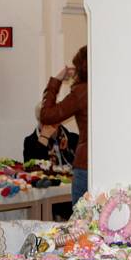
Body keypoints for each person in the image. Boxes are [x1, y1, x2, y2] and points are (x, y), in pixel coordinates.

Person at [40, 45, 88, 204]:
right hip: (111, 163)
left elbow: (46, 115)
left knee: (80, 223)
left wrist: (56, 80)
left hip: (85, 164)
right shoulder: (112, 87)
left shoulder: (81, 93)